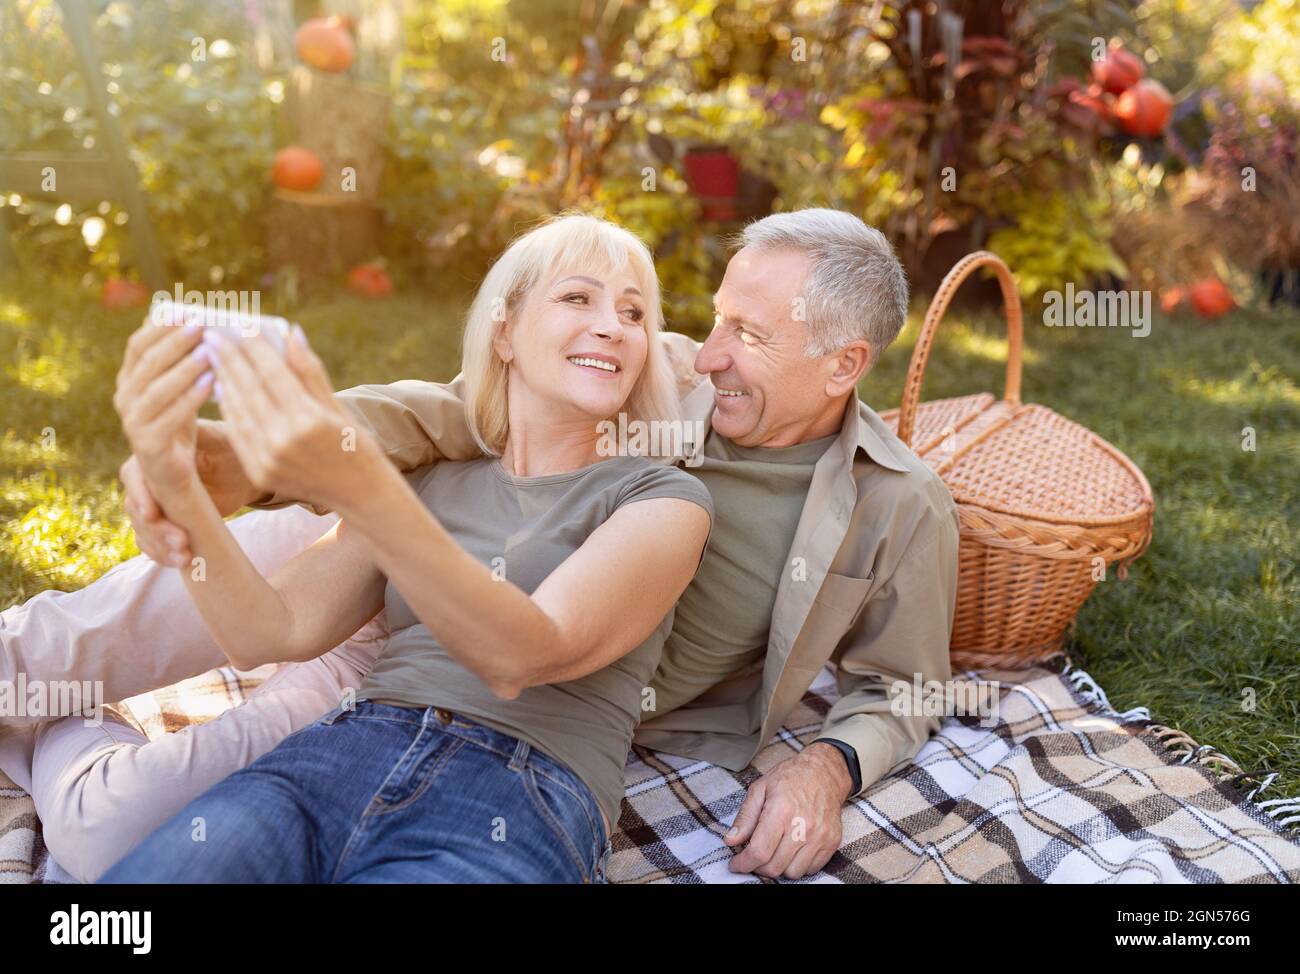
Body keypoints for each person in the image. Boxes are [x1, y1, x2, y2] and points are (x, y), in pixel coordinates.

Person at [2, 208, 957, 882]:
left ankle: (52, 727)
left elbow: (899, 688)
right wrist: (229, 475)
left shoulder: (884, 505)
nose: (698, 353)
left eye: (743, 334)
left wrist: (825, 764)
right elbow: (452, 414)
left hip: (515, 675)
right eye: (708, 317)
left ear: (844, 365)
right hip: (408, 604)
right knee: (166, 598)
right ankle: (20, 678)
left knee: (106, 836)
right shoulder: (647, 370)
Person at [62, 214, 714, 882]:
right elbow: (268, 629)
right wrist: (183, 500)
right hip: (340, 754)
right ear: (505, 330)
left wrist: (362, 483)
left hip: (522, 794)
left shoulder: (663, 499)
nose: (614, 325)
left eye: (634, 313)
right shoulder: (434, 479)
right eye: (578, 298)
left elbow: (522, 653)